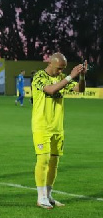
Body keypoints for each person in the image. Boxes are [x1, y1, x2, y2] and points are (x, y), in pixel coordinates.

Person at [31, 53, 86, 209]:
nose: (60, 71)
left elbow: (79, 89)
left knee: (54, 162)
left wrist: (81, 77)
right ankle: (40, 197)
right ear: (50, 63)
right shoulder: (39, 77)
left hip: (57, 127)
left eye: (63, 69)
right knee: (43, 160)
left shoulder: (61, 77)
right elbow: (50, 90)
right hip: (42, 126)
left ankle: (48, 195)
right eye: (58, 68)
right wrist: (70, 76)